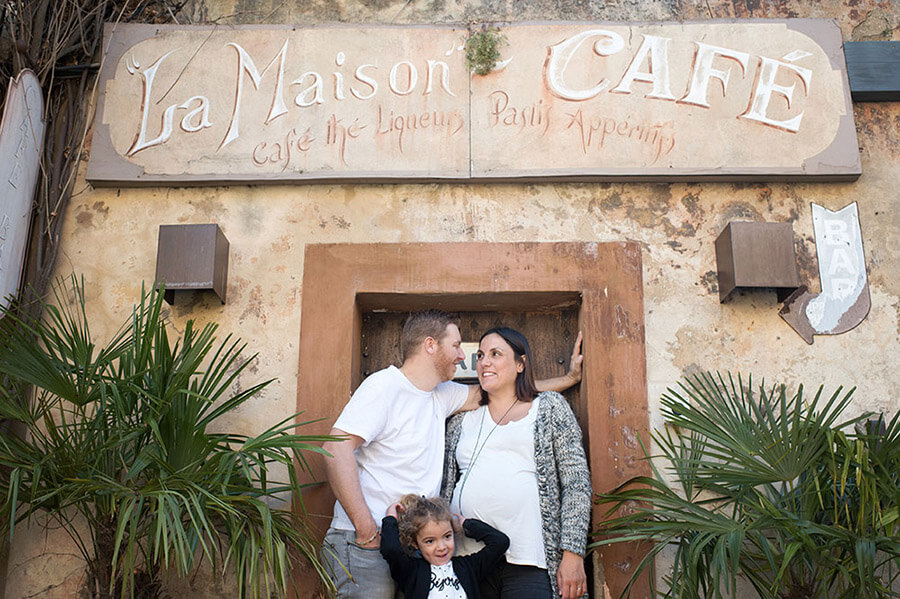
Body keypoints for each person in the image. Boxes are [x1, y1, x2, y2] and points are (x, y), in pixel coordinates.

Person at [321, 310, 582, 599]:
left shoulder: (442, 394)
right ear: (431, 345)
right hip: (367, 542)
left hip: (418, 547)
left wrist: (567, 379)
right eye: (457, 345)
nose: (464, 356)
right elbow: (335, 447)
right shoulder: (384, 387)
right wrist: (366, 528)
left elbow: (507, 390)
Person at [442, 327, 591, 599]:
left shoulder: (549, 408)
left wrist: (572, 553)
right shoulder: (461, 420)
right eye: (481, 355)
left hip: (528, 557)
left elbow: (576, 484)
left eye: (496, 354)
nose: (484, 362)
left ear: (521, 364)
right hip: (468, 560)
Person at [380, 494, 510, 599]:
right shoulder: (411, 571)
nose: (442, 547)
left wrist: (466, 524)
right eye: (430, 541)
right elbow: (391, 549)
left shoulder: (468, 567)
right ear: (414, 543)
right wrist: (390, 518)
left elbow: (500, 542)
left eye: (447, 536)